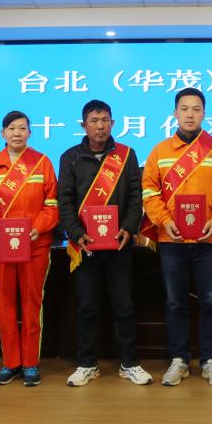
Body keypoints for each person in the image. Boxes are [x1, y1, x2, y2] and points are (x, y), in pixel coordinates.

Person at [141, 88, 212, 387]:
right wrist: (164, 221)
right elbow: (150, 193)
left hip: (210, 240)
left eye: (196, 109)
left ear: (204, 113)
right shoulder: (160, 151)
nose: (190, 114)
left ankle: (210, 361)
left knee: (211, 301)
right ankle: (179, 360)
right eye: (184, 109)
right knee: (175, 303)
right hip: (171, 240)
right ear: (175, 113)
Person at [57, 100, 152, 387]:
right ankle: (87, 364)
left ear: (113, 123)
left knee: (124, 306)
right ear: (83, 125)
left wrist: (129, 228)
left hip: (119, 245)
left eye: (105, 120)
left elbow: (136, 196)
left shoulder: (127, 155)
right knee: (87, 307)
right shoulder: (70, 157)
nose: (100, 125)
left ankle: (129, 363)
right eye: (94, 120)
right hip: (85, 246)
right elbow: (65, 200)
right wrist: (76, 233)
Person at [0, 111, 58, 387]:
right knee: (4, 306)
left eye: (22, 128)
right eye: (12, 128)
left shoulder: (42, 163)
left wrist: (37, 228)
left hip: (35, 246)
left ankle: (30, 363)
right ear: (3, 133)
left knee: (32, 304)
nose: (17, 133)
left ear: (30, 133)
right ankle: (10, 362)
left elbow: (52, 206)